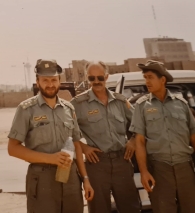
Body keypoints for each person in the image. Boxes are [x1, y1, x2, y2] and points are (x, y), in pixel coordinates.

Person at [8, 59, 94, 213]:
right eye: (45, 80)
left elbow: (76, 144)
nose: (50, 84)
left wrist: (85, 179)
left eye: (53, 80)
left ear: (59, 81)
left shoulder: (69, 108)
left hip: (70, 179)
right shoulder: (26, 109)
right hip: (42, 180)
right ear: (37, 81)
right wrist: (50, 158)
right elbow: (12, 148)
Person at [130, 60, 195, 213]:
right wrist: (144, 172)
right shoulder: (141, 106)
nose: (146, 81)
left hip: (185, 168)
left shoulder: (181, 104)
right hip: (159, 169)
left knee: (192, 208)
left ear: (162, 80)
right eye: (145, 77)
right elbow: (139, 142)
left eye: (150, 77)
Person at [71, 61, 140, 213]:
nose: (96, 82)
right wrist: (83, 148)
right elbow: (64, 133)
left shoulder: (121, 101)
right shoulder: (77, 104)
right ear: (87, 79)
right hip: (96, 164)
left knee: (131, 208)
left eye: (100, 78)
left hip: (122, 161)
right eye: (91, 78)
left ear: (106, 77)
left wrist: (134, 140)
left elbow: (140, 124)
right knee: (99, 209)